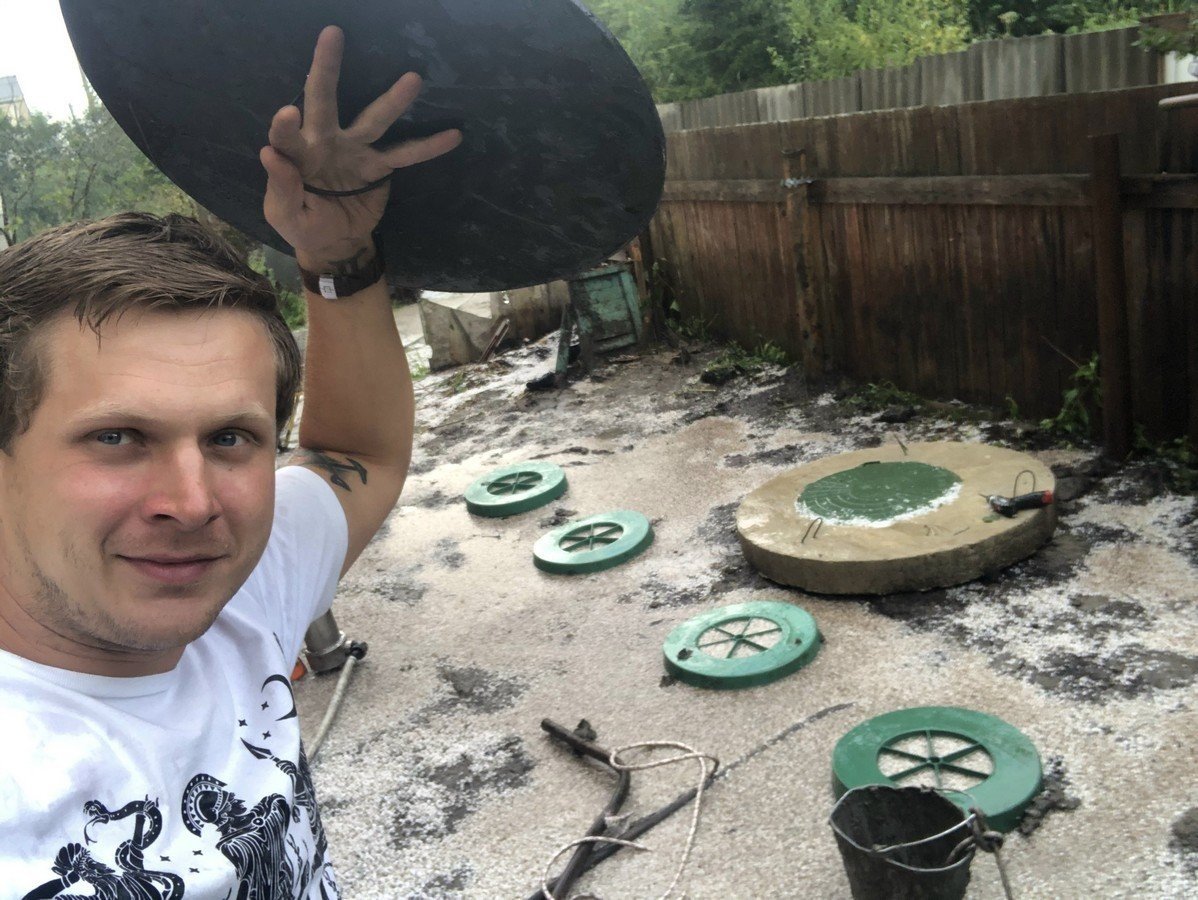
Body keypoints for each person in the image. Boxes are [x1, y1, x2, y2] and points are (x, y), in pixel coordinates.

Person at [0, 27, 461, 898]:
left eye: (228, 439)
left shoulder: (243, 601)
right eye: (117, 437)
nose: (192, 503)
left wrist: (336, 255)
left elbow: (356, 451)